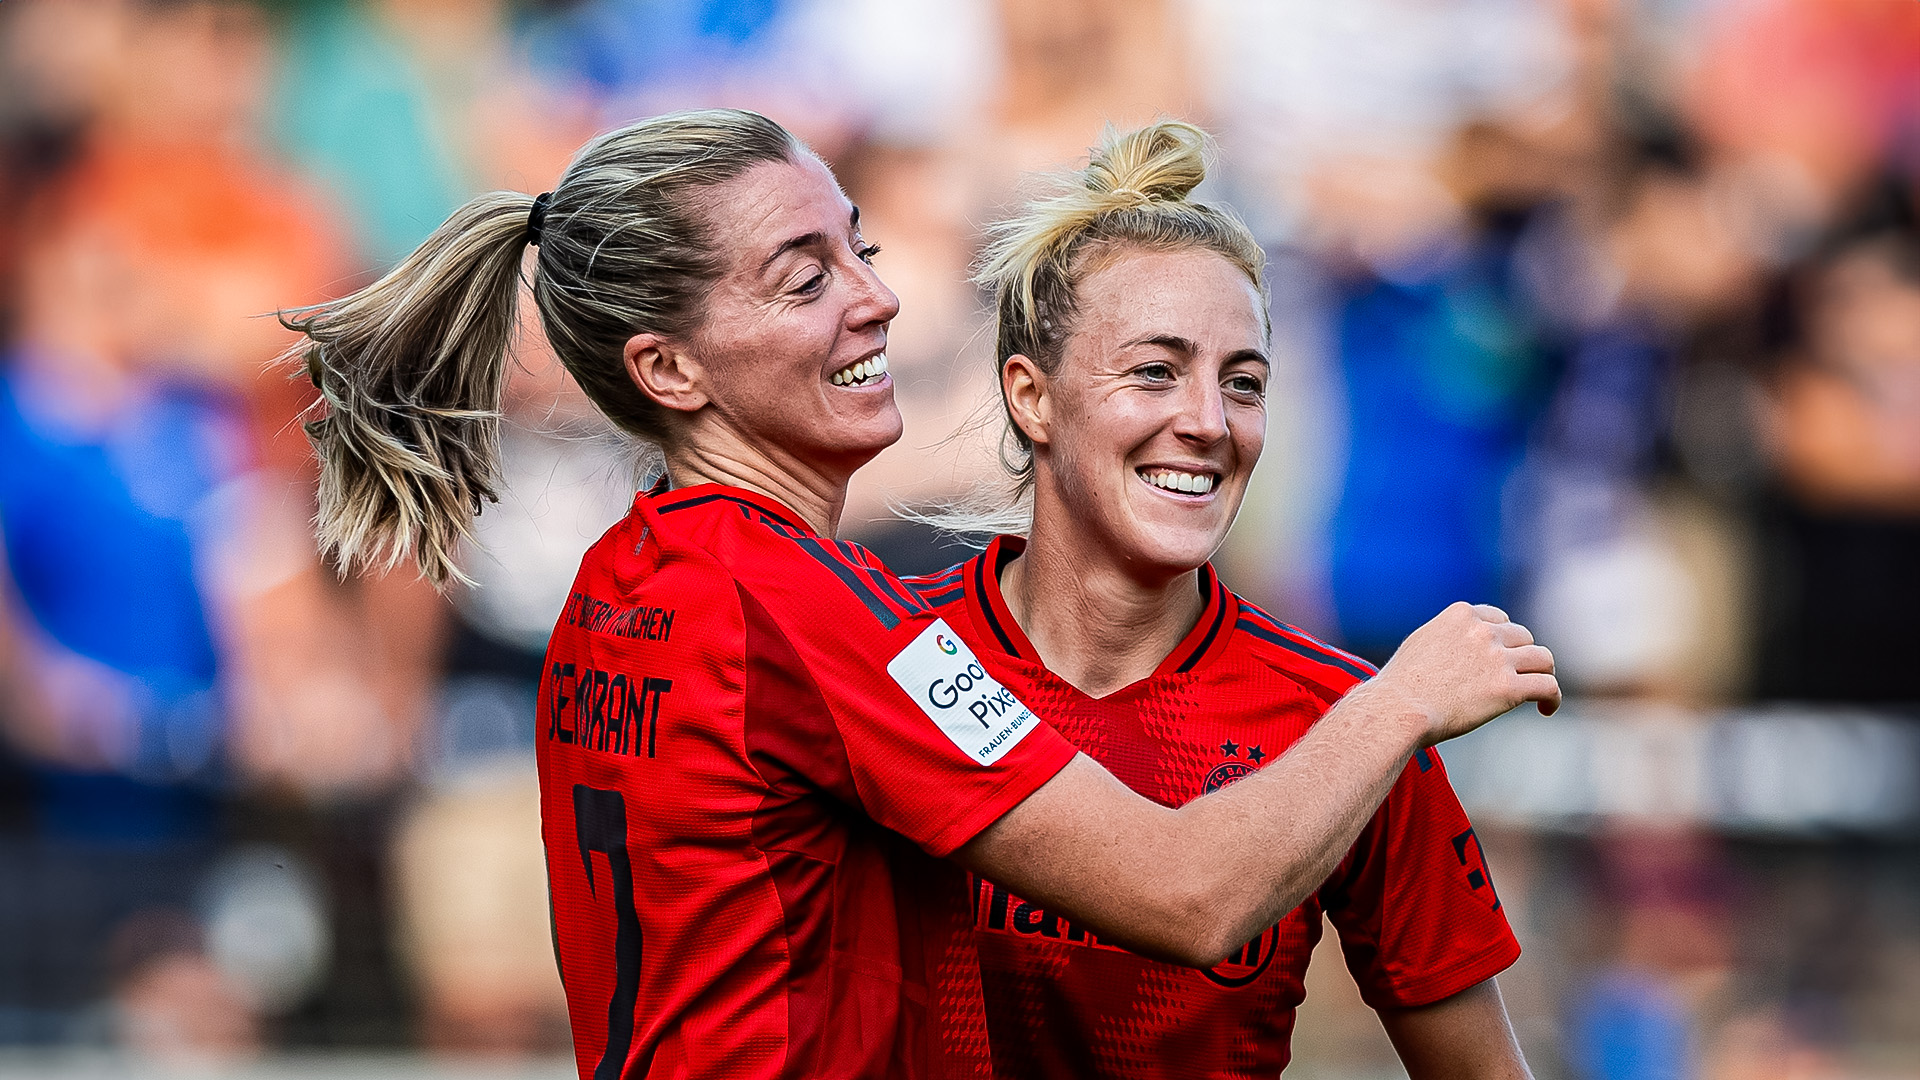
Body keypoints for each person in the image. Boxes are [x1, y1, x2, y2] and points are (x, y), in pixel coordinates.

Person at [280, 109, 1557, 1079]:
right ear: (667, 367)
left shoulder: (627, 575)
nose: (878, 297)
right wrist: (1400, 707)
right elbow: (1186, 894)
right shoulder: (826, 617)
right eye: (805, 277)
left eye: (862, 251)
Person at [904, 120, 1532, 1079]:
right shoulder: (898, 657)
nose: (1207, 422)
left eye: (1244, 383)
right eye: (1155, 370)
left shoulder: (1341, 715)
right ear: (1031, 397)